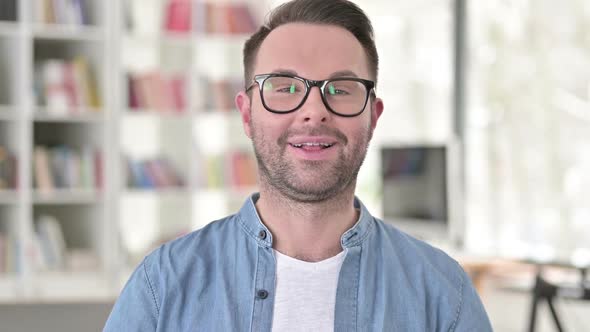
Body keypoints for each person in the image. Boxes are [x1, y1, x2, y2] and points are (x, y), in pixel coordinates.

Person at [104, 0, 493, 331]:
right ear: (247, 113)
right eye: (285, 87)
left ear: (373, 117)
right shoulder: (163, 285)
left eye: (340, 90)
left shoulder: (443, 294)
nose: (313, 112)